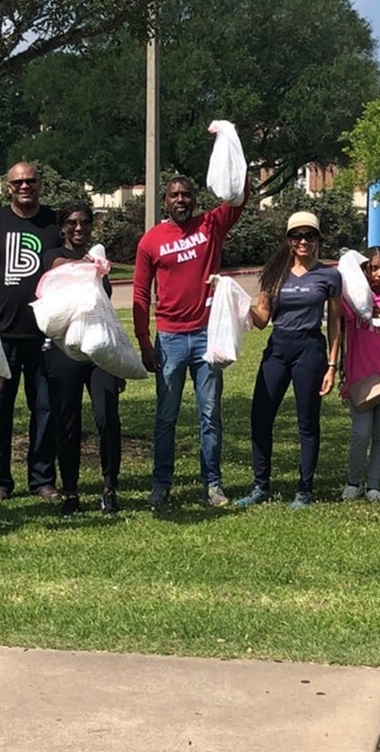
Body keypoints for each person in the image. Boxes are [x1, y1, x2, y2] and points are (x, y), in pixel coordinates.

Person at [132, 172, 250, 508]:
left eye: (186, 194)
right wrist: (144, 343)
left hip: (206, 337)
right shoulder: (151, 241)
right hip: (169, 338)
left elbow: (239, 196)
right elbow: (140, 294)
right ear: (165, 201)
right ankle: (161, 484)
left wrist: (232, 149)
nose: (180, 200)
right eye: (174, 195)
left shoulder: (211, 225)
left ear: (194, 198)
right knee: (165, 416)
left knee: (210, 414)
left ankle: (213, 485)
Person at [237, 212, 343, 509]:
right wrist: (234, 301)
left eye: (310, 235)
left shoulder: (329, 276)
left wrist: (332, 365)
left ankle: (304, 489)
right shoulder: (274, 274)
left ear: (318, 239)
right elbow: (261, 320)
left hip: (310, 349)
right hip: (278, 347)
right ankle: (261, 486)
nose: (303, 241)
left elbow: (336, 323)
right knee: (260, 416)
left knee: (307, 422)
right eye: (297, 235)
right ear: (288, 240)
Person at [0, 162, 61, 503]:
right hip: (1, 337)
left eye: (31, 181)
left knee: (45, 410)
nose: (25, 186)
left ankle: (42, 479)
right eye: (18, 182)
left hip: (43, 337)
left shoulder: (54, 224)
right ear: (7, 187)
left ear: (40, 185)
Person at [43, 203, 125, 517]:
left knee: (107, 418)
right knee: (67, 422)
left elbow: (106, 309)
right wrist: (90, 265)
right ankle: (71, 491)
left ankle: (109, 488)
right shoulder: (54, 256)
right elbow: (60, 266)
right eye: (73, 223)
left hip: (99, 351)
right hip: (65, 351)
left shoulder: (98, 259)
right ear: (62, 226)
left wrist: (118, 361)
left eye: (85, 223)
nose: (79, 228)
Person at [340, 247, 380, 503]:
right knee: (360, 433)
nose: (379, 273)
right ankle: (353, 482)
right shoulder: (355, 299)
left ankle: (373, 485)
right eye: (373, 268)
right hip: (360, 379)